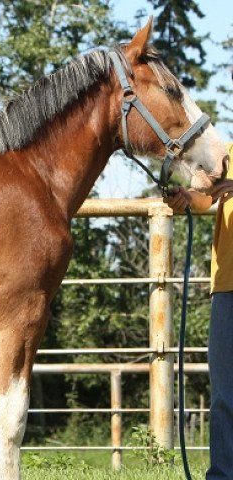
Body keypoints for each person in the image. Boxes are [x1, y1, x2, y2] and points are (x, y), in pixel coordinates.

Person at [164, 142, 233, 479]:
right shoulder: (228, 153)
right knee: (224, 393)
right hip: (227, 285)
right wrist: (185, 198)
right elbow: (207, 195)